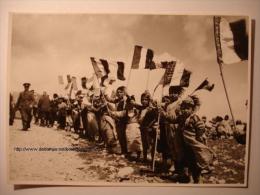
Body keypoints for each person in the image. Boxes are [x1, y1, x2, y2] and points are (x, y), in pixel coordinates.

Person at [177, 96, 214, 183]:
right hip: (186, 144)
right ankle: (190, 178)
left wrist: (199, 136)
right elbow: (173, 119)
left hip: (194, 143)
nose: (185, 110)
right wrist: (163, 114)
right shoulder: (181, 118)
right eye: (183, 108)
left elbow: (201, 127)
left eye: (187, 108)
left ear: (192, 109)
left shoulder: (194, 118)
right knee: (188, 161)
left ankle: (198, 178)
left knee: (196, 162)